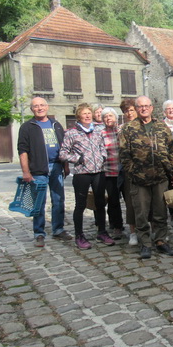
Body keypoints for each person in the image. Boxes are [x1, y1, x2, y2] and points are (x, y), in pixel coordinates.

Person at [119, 96, 173, 259]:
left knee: (160, 211)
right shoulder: (129, 128)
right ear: (137, 109)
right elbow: (124, 154)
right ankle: (145, 244)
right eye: (140, 106)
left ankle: (161, 241)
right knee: (141, 213)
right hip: (139, 179)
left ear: (152, 108)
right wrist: (133, 171)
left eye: (146, 106)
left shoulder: (162, 127)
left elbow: (172, 150)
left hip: (160, 177)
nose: (144, 109)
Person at [17, 97, 72, 247]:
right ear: (32, 109)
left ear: (47, 107)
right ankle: (39, 233)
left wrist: (65, 166)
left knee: (58, 200)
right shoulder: (27, 127)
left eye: (42, 105)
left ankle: (58, 229)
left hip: (56, 167)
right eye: (36, 106)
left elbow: (64, 147)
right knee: (39, 203)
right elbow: (22, 151)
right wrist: (26, 172)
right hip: (38, 170)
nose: (39, 108)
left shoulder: (56, 124)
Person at [59, 103, 115, 250]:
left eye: (89, 113)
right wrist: (78, 158)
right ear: (79, 116)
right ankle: (79, 235)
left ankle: (102, 231)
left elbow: (102, 147)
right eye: (84, 114)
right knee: (80, 205)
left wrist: (102, 156)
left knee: (100, 203)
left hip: (98, 172)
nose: (88, 116)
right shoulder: (71, 133)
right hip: (82, 173)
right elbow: (63, 153)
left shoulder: (97, 131)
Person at [101, 107, 124, 239]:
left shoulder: (122, 131)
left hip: (123, 171)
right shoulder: (101, 133)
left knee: (129, 200)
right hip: (109, 172)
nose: (108, 118)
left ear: (116, 118)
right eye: (105, 116)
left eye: (110, 116)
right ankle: (117, 226)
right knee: (113, 200)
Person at [119, 99, 138, 245]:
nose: (129, 113)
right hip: (129, 171)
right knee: (131, 203)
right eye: (126, 111)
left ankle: (152, 229)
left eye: (131, 110)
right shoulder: (121, 129)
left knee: (149, 203)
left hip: (146, 170)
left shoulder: (144, 125)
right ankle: (133, 232)